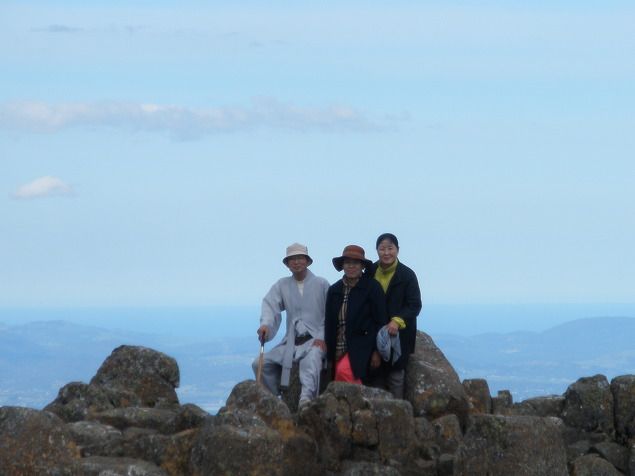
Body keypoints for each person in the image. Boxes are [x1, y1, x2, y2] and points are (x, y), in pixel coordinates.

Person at [252, 243, 330, 405]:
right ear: (287, 264)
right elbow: (270, 306)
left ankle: (306, 401)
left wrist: (322, 337)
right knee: (259, 363)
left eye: (300, 258)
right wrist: (266, 325)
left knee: (310, 362)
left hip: (315, 339)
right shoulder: (282, 285)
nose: (296, 262)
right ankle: (274, 399)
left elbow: (330, 314)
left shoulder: (321, 284)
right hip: (291, 342)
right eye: (292, 259)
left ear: (307, 261)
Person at [368, 233, 422, 398]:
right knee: (374, 376)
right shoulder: (370, 271)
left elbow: (414, 305)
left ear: (397, 250)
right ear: (377, 250)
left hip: (399, 335)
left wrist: (397, 321)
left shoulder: (407, 275)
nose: (386, 253)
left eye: (390, 248)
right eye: (382, 249)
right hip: (374, 331)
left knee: (396, 377)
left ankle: (397, 410)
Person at [324, 245, 387, 384]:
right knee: (339, 378)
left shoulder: (372, 288)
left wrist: (377, 351)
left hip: (363, 346)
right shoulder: (334, 290)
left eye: (356, 263)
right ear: (342, 265)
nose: (351, 266)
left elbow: (381, 321)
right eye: (347, 262)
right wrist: (328, 352)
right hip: (338, 345)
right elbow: (329, 323)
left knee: (344, 372)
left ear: (362, 266)